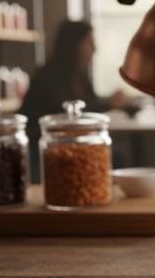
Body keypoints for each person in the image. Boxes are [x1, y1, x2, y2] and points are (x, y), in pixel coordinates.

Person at [18, 21, 134, 180]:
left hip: (70, 141)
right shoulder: (49, 77)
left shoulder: (79, 74)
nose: (95, 49)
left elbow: (92, 103)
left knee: (118, 155)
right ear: (73, 44)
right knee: (117, 156)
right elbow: (66, 118)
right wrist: (108, 103)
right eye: (90, 42)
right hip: (43, 145)